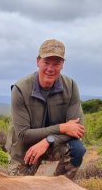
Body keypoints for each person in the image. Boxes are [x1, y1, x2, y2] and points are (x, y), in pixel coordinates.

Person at [5, 39, 86, 179]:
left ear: (62, 65)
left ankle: (59, 189)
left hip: (55, 143)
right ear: (38, 61)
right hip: (26, 147)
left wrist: (48, 140)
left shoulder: (71, 86)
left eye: (56, 63)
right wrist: (62, 128)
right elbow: (23, 135)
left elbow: (77, 128)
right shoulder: (20, 89)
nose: (50, 68)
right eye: (46, 62)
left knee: (77, 150)